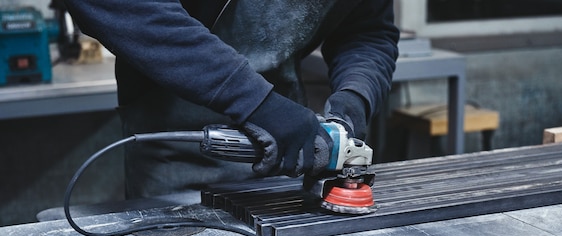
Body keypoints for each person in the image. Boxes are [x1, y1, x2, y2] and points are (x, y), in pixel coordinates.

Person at [62, 0, 399, 198]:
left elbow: (366, 31)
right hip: (175, 144)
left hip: (288, 146)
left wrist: (356, 96)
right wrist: (257, 103)